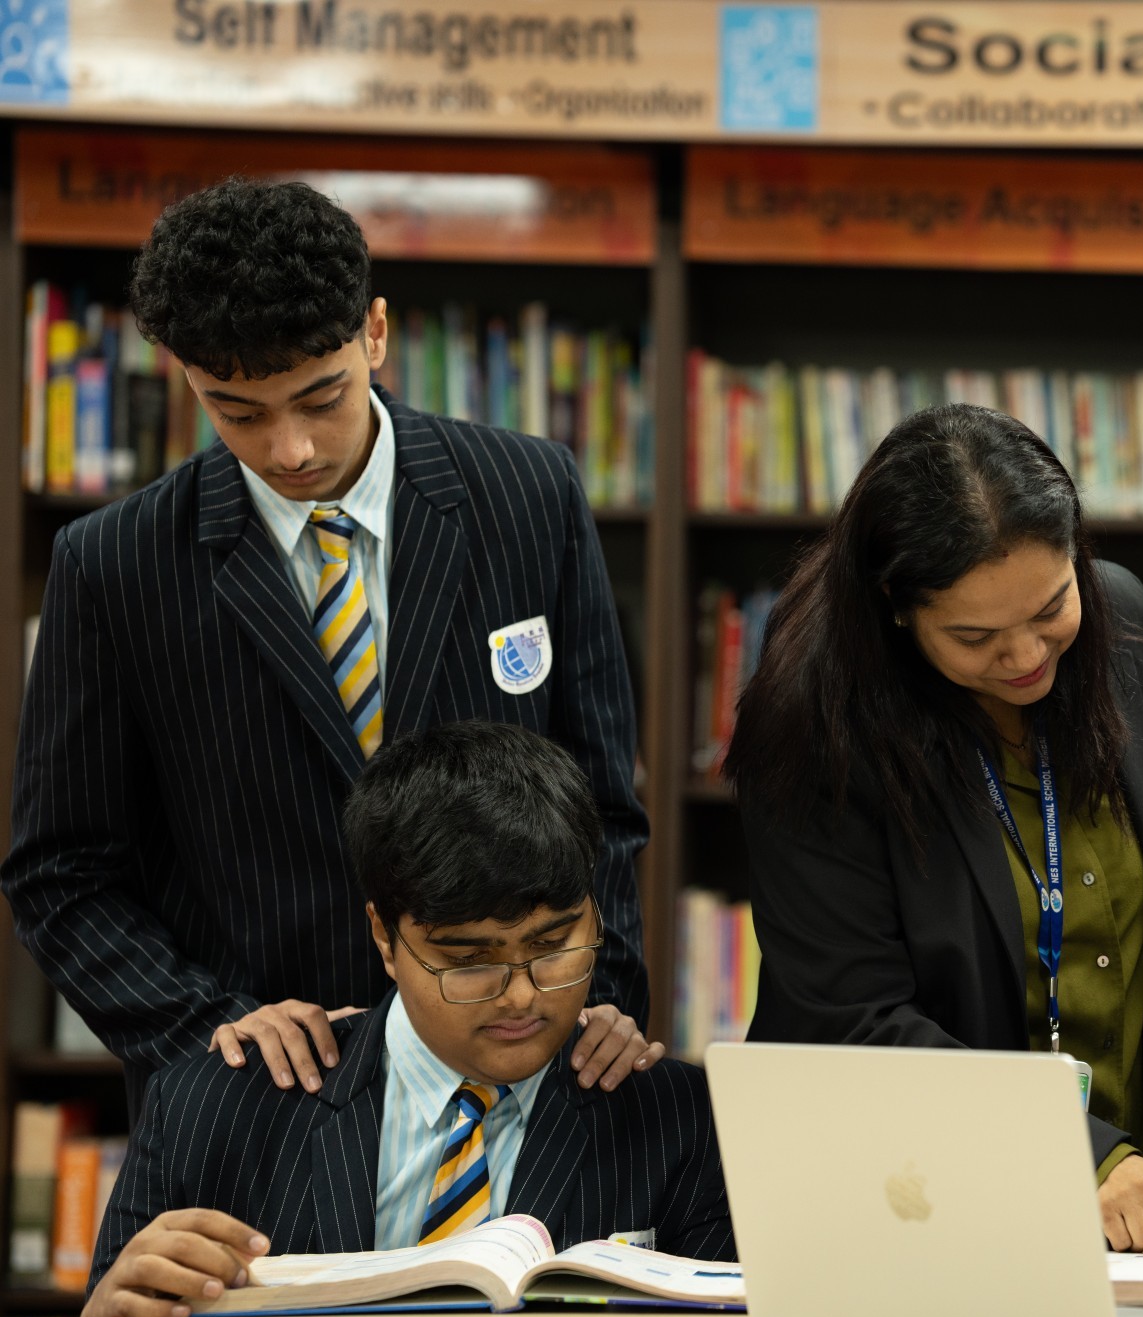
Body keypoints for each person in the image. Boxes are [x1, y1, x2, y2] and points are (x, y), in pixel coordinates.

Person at [3, 178, 656, 1114]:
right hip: (261, 1098)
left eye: (321, 397)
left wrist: (598, 1003)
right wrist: (206, 1026)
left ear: (376, 333)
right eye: (238, 412)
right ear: (187, 380)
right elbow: (60, 872)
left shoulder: (530, 493)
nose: (292, 449)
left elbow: (602, 803)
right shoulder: (114, 563)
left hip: (522, 1068)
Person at [79, 721, 733, 1317]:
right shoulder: (210, 1111)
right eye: (468, 959)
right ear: (384, 939)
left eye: (553, 942)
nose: (523, 993)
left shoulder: (683, 1121)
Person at [725, 403, 1143, 1252]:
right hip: (901, 1207)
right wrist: (1077, 1152)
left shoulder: (1120, 628)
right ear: (897, 610)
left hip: (1130, 1213)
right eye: (975, 635)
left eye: (1051, 607)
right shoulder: (816, 719)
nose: (1025, 657)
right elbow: (852, 1021)